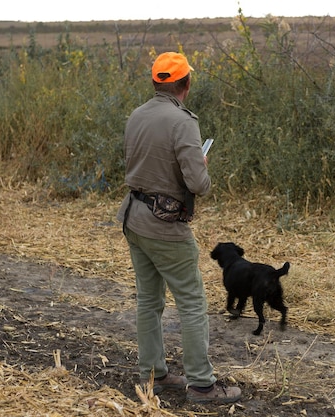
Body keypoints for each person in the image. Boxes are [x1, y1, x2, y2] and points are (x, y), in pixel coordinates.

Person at [116, 52, 241, 403]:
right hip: (164, 225)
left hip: (133, 217)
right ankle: (202, 385)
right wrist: (200, 163)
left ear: (156, 83)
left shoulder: (136, 115)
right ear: (186, 84)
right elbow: (198, 183)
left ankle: (152, 375)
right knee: (191, 301)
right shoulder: (183, 121)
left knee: (148, 301)